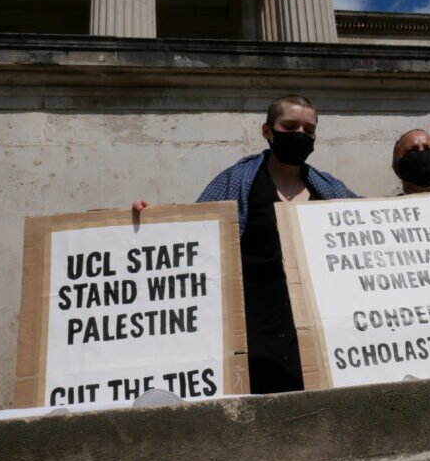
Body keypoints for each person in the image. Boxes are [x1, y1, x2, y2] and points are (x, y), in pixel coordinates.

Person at [134, 94, 356, 393]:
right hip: (256, 325)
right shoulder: (236, 181)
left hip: (314, 328)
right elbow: (194, 231)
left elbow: (368, 224)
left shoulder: (329, 187)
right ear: (268, 131)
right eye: (290, 127)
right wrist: (148, 220)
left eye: (309, 130)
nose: (300, 135)